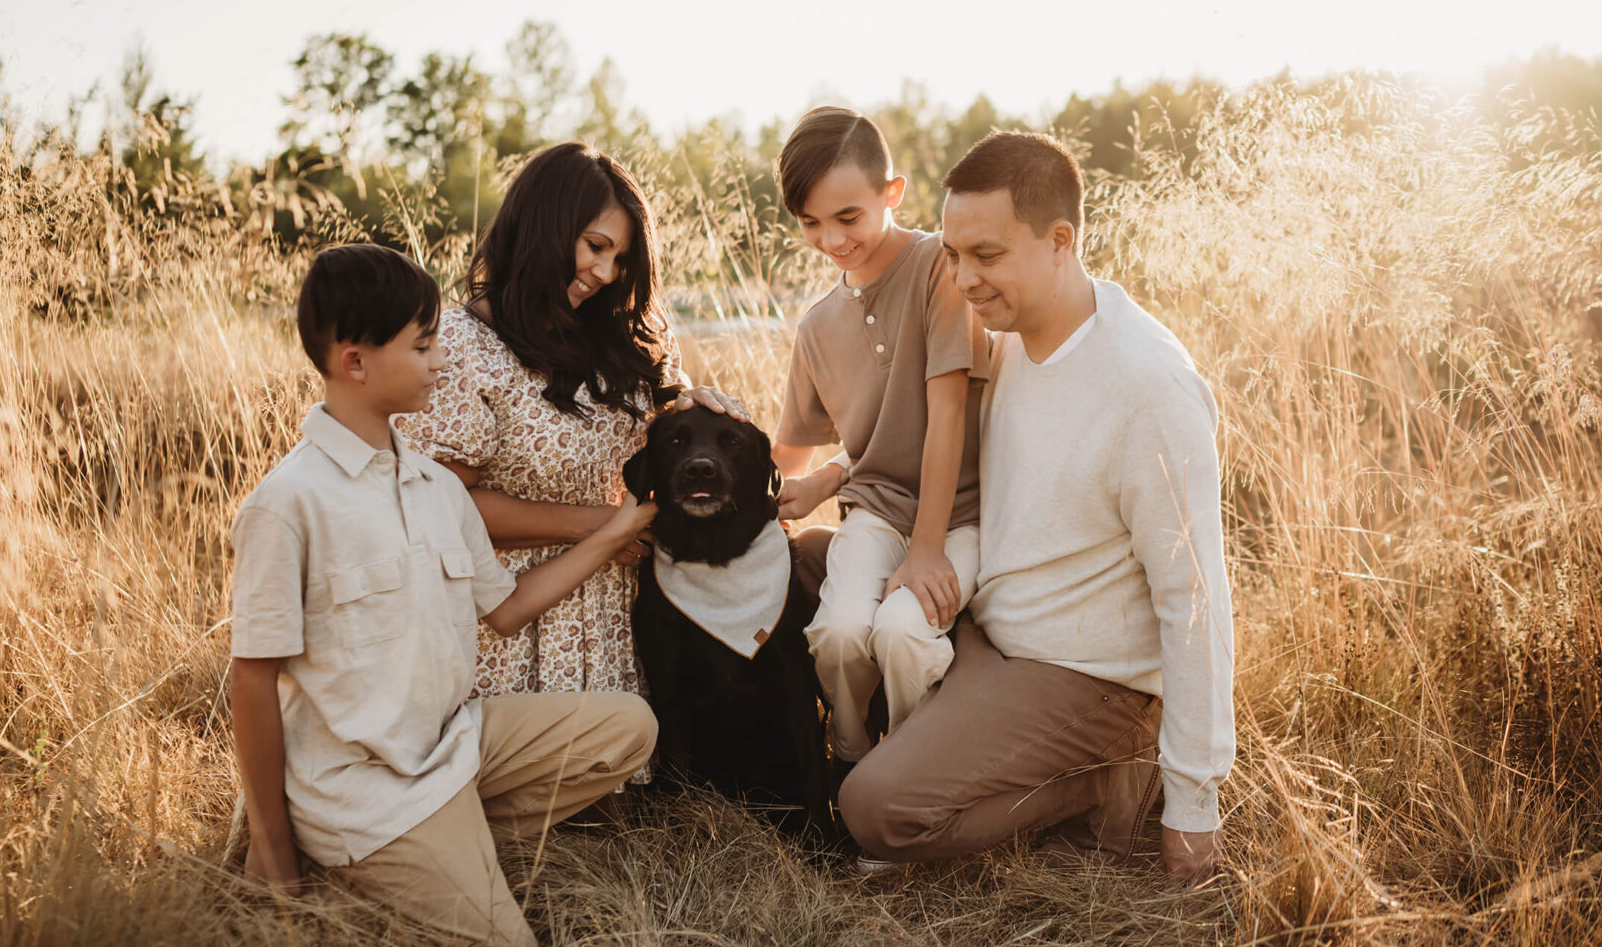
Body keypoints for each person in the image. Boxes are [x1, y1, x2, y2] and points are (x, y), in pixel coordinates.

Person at [229, 243, 659, 947]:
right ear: (354, 361)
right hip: (364, 788)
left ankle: (442, 842)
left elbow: (510, 608)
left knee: (628, 728)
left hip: (453, 745)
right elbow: (252, 678)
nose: (442, 362)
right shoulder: (288, 503)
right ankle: (347, 854)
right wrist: (269, 846)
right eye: (424, 346)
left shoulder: (435, 488)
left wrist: (617, 531)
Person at [838, 132, 1235, 882]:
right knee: (806, 565)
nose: (962, 279)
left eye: (986, 256)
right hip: (990, 628)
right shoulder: (1009, 337)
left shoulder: (1148, 388)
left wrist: (1194, 805)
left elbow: (1196, 601)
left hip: (1081, 679)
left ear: (1062, 241)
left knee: (874, 809)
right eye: (953, 255)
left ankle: (1114, 778)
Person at [396, 143, 742, 716]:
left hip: (613, 616)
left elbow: (654, 449)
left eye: (621, 260)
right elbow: (444, 508)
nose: (606, 274)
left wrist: (691, 411)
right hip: (511, 619)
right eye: (595, 247)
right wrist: (604, 526)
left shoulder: (625, 338)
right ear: (541, 228)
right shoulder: (460, 347)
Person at [769, 107, 990, 769]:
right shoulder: (816, 328)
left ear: (891, 193)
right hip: (875, 510)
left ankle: (909, 767)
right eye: (810, 223)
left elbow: (947, 411)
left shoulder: (938, 269)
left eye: (848, 217)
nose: (832, 239)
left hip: (964, 512)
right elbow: (789, 459)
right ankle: (850, 745)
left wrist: (925, 551)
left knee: (902, 634)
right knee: (837, 633)